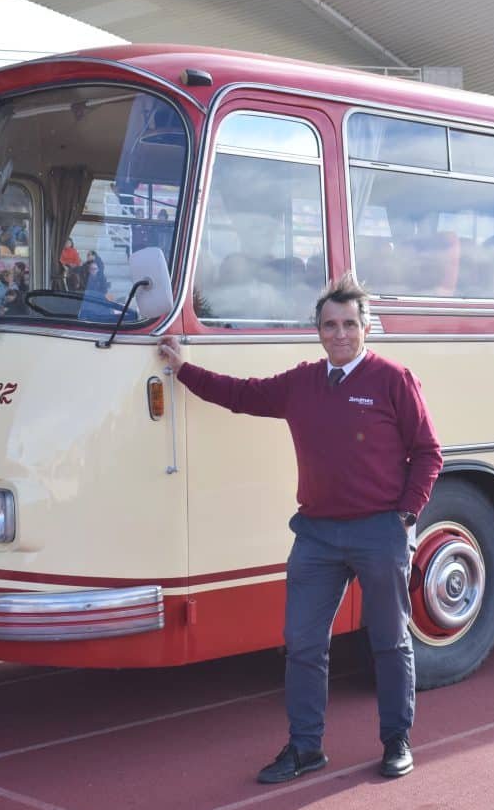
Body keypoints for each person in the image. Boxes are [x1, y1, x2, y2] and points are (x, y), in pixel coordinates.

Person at [158, 273, 442, 783]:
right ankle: (306, 747)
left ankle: (396, 741)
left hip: (379, 531)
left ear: (367, 328)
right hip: (316, 536)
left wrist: (404, 516)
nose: (339, 333)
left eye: (349, 324)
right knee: (303, 643)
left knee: (389, 641)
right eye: (329, 325)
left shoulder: (394, 379)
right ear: (317, 330)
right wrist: (183, 370)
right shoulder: (301, 383)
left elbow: (428, 453)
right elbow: (240, 394)